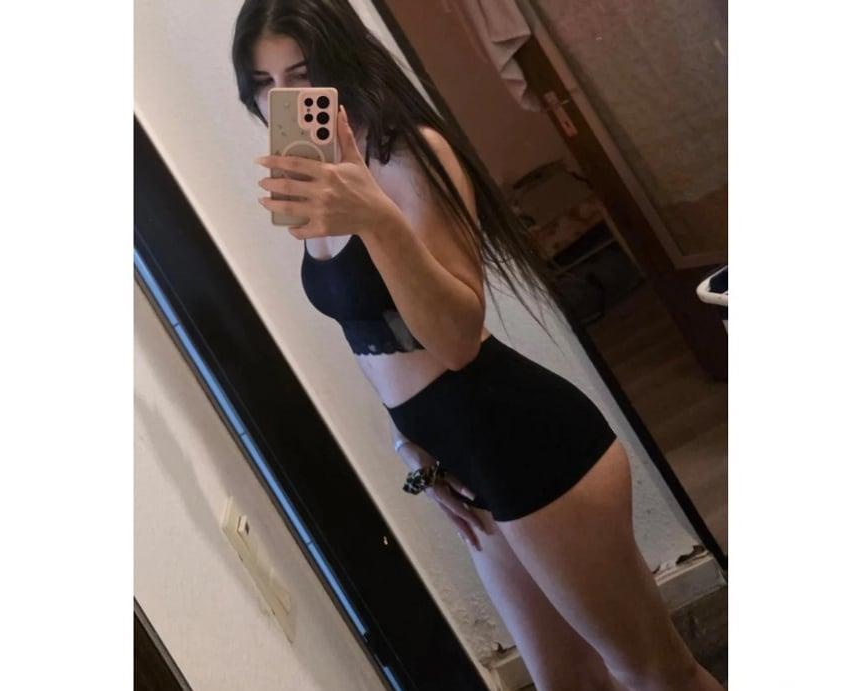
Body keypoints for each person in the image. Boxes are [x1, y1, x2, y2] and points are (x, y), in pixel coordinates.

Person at [233, 2, 724, 689]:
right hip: (459, 458)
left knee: (655, 672)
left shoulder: (410, 154)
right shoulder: (324, 184)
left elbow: (458, 339)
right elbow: (369, 336)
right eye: (264, 82)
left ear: (343, 60)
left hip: (519, 436)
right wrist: (411, 447)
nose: (283, 97)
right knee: (566, 682)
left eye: (302, 72)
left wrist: (377, 221)